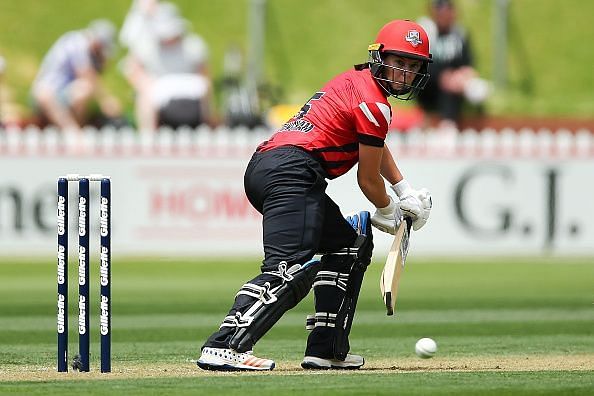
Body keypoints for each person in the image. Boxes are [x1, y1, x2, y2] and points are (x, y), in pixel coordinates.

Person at [196, 19, 433, 372]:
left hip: (275, 167)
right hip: (291, 172)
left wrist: (403, 190)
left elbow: (374, 146)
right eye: (399, 62)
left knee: (349, 246)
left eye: (413, 66)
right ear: (379, 57)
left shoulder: (356, 83)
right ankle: (223, 346)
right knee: (290, 268)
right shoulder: (375, 103)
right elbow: (367, 180)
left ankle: (326, 350)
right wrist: (388, 210)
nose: (404, 74)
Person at [120, 2, 216, 131]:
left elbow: (204, 75)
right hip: (159, 89)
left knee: (205, 95)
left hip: (189, 91)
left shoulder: (193, 46)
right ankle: (148, 135)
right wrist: (145, 83)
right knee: (145, 98)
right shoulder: (148, 47)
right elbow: (131, 68)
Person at [30, 19, 122, 131]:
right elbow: (86, 74)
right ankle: (73, 132)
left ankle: (74, 129)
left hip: (63, 94)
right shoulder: (77, 42)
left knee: (84, 90)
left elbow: (94, 75)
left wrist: (101, 62)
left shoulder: (88, 51)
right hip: (48, 93)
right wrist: (106, 100)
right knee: (82, 89)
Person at [417, 0, 490, 129]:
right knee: (447, 85)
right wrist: (443, 76)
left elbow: (467, 62)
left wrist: (464, 75)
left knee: (477, 89)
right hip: (428, 83)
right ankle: (441, 121)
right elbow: (419, 63)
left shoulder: (459, 34)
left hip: (454, 84)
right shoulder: (425, 33)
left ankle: (450, 123)